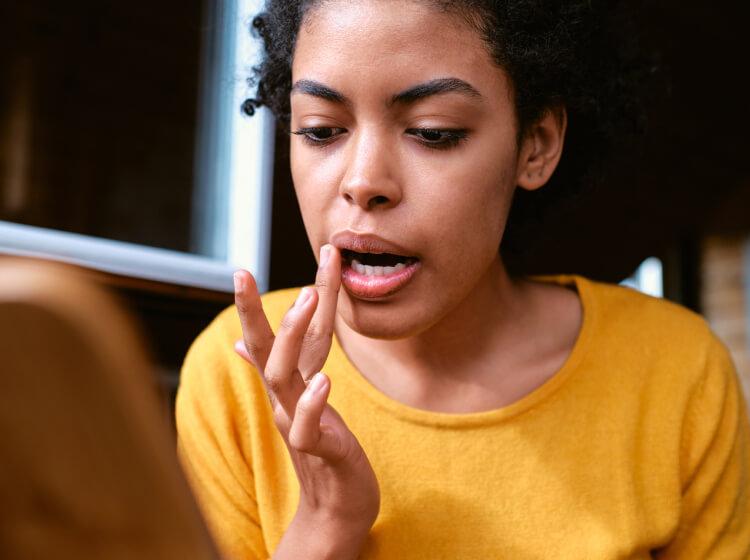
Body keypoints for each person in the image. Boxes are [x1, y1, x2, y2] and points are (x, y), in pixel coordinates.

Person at [175, 1, 750, 558]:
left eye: (432, 132)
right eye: (322, 130)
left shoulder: (674, 371)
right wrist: (327, 523)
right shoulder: (237, 376)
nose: (364, 181)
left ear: (536, 144)